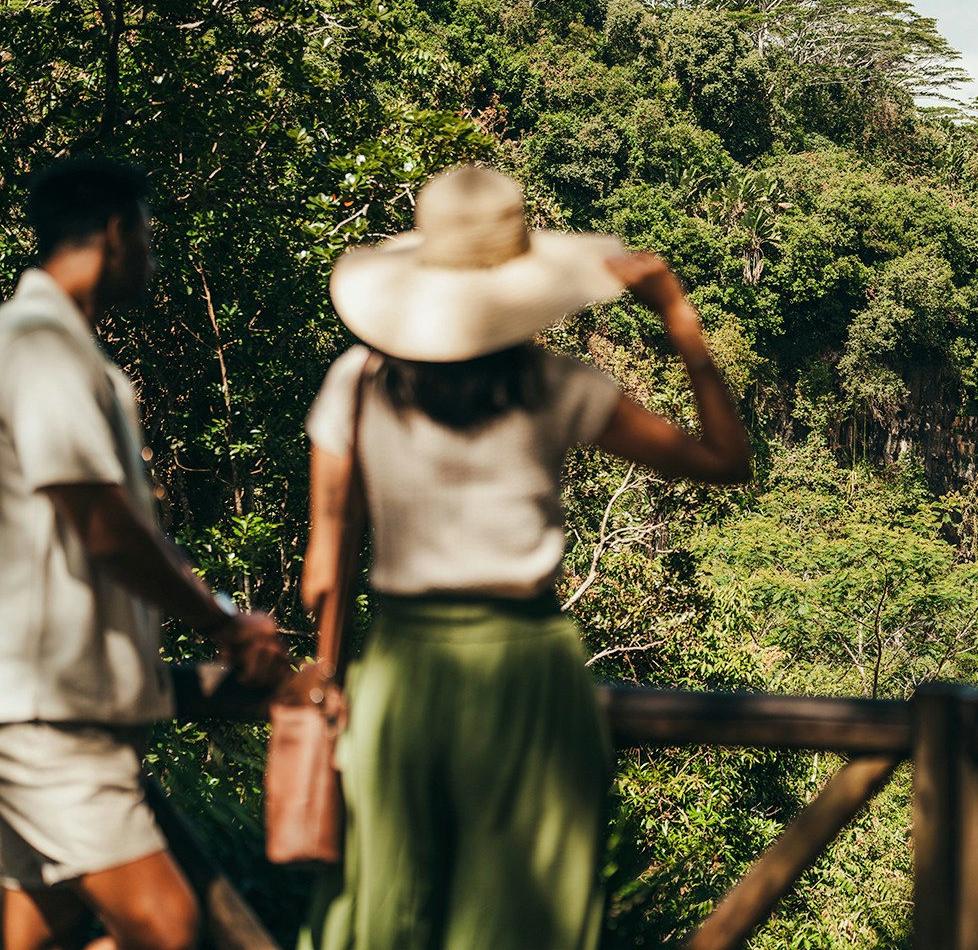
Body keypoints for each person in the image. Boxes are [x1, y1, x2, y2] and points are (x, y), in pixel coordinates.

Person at [297, 165, 750, 950]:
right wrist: (678, 317)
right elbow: (723, 460)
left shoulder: (357, 385)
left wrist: (327, 679)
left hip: (403, 671)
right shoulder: (555, 387)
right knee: (523, 918)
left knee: (387, 905)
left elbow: (325, 570)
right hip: (529, 670)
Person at [0, 158, 290, 950]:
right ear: (118, 233)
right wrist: (225, 622)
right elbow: (102, 524)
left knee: (36, 926)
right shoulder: (41, 349)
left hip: (44, 705)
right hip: (49, 714)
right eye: (150, 239)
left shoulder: (52, 348)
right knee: (168, 925)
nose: (153, 259)